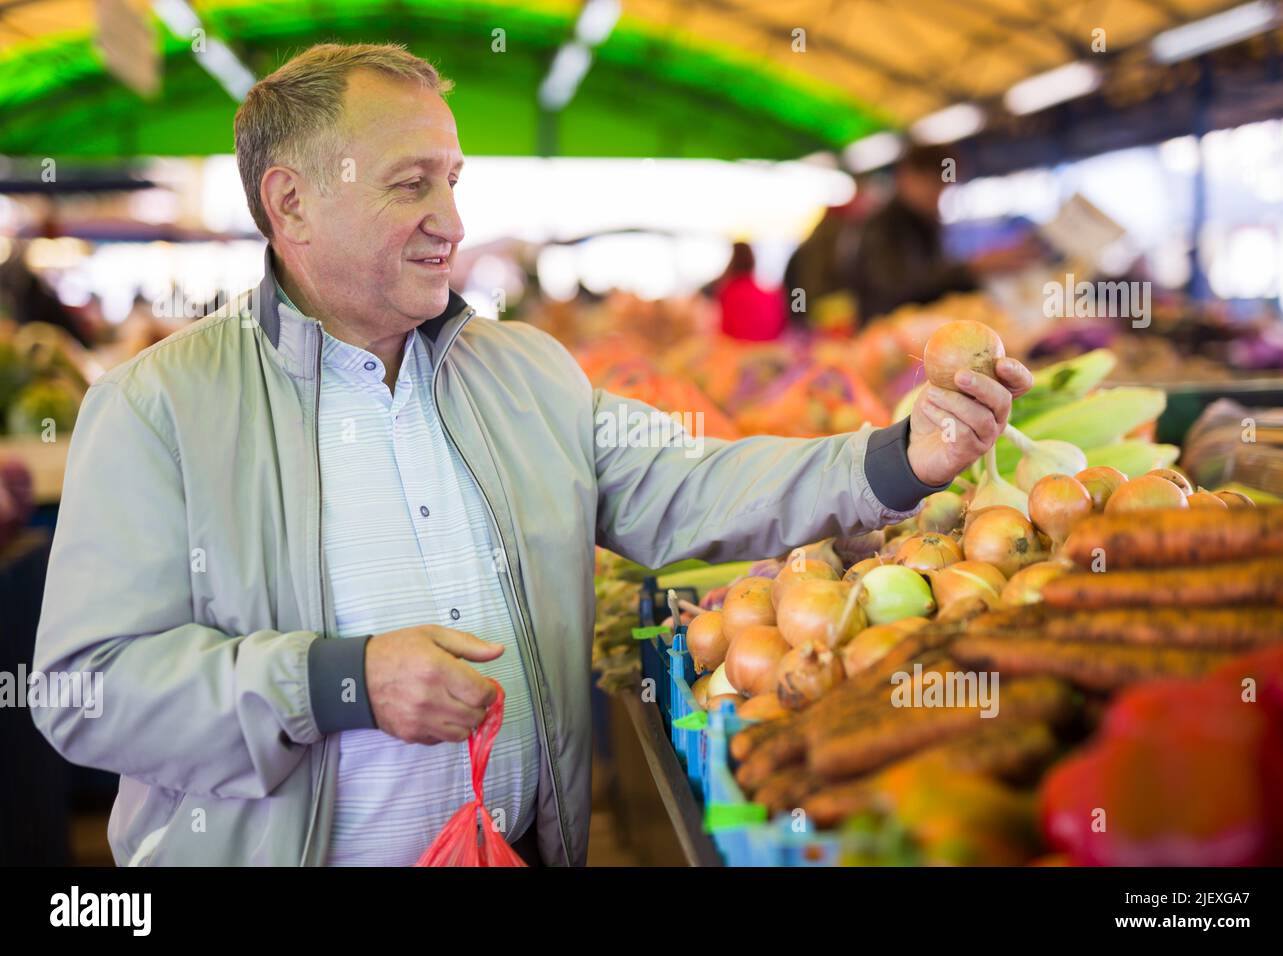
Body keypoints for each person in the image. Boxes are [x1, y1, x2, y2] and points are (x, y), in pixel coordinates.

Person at [31, 44, 1032, 867]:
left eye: (454, 181)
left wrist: (898, 456)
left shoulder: (529, 373)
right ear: (289, 203)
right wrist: (341, 680)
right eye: (409, 185)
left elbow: (689, 483)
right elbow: (88, 690)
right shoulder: (157, 407)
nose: (450, 222)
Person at [786, 143, 1038, 328]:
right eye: (931, 184)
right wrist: (971, 268)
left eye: (943, 188)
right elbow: (897, 286)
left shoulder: (923, 224)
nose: (937, 196)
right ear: (906, 177)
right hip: (889, 337)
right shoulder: (883, 226)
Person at [715, 242, 786, 341]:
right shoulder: (769, 295)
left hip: (740, 348)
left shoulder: (727, 291)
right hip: (768, 346)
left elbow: (726, 329)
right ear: (753, 261)